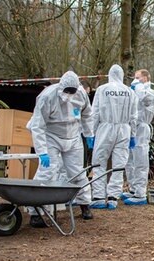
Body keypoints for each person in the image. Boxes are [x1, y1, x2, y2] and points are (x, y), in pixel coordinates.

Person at [28, 70, 95, 227]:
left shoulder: (81, 95)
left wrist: (89, 134)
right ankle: (36, 212)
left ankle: (85, 205)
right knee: (47, 172)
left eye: (72, 91)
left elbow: (87, 115)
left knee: (78, 172)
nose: (69, 95)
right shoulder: (47, 97)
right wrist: (42, 151)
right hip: (51, 136)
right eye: (67, 91)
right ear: (61, 88)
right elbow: (37, 125)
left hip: (73, 136)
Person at [89, 64, 138, 209]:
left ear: (109, 74)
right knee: (119, 164)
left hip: (105, 128)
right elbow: (134, 117)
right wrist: (133, 135)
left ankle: (98, 196)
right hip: (124, 129)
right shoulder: (130, 92)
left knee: (99, 161)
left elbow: (95, 113)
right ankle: (113, 197)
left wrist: (91, 133)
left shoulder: (102, 89)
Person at [122, 69, 154, 205]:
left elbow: (144, 98)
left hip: (142, 129)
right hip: (132, 128)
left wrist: (138, 87)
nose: (135, 80)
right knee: (129, 160)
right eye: (134, 77)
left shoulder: (150, 93)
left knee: (140, 161)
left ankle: (140, 192)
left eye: (138, 77)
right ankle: (133, 188)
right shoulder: (135, 91)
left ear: (146, 78)